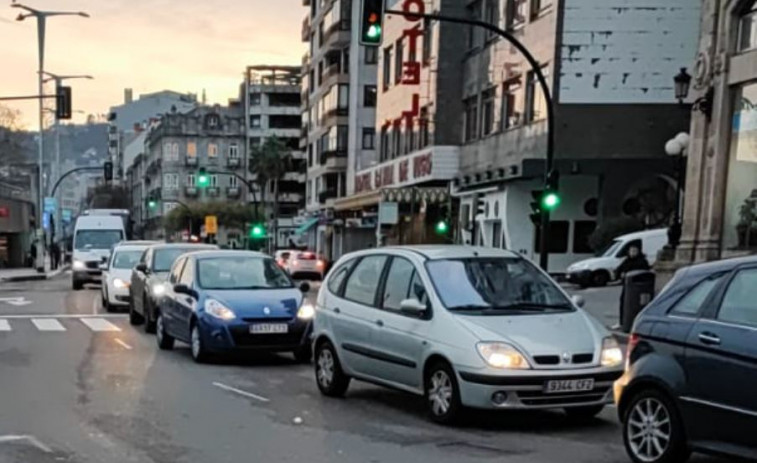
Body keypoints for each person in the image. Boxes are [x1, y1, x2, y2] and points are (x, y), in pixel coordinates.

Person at [616, 245, 651, 329]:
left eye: (635, 251)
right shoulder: (627, 260)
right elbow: (619, 269)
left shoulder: (642, 261)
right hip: (627, 286)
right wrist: (621, 274)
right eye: (631, 251)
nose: (632, 253)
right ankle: (622, 322)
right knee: (623, 302)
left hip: (638, 288)